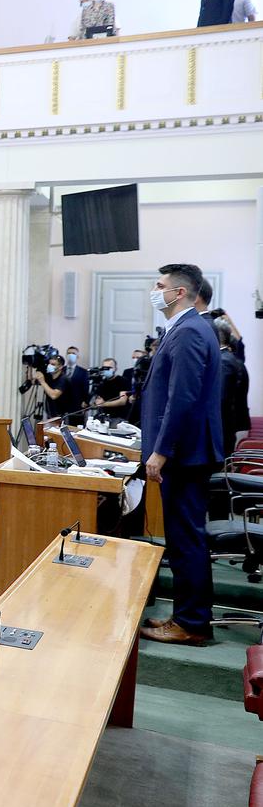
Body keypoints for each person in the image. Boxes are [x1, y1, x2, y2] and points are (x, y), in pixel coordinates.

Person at [138, 264, 224, 645]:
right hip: (187, 452)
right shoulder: (187, 328)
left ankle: (192, 623)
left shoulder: (189, 330)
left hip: (185, 454)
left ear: (180, 293)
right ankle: (185, 614)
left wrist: (161, 451)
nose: (155, 291)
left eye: (160, 286)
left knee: (186, 538)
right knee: (181, 536)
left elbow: (182, 399)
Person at [216, 317, 249, 457]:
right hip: (227, 425)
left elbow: (221, 399)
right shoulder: (229, 358)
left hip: (223, 427)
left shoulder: (224, 361)